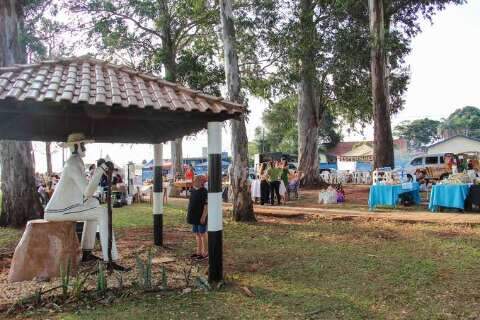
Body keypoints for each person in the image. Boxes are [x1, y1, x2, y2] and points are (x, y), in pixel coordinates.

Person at [44, 132, 119, 262]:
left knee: (95, 205)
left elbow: (85, 193)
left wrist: (98, 173)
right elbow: (87, 191)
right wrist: (99, 171)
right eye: (83, 145)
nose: (85, 147)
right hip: (58, 211)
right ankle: (110, 259)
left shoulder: (76, 162)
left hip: (65, 208)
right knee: (103, 213)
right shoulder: (72, 164)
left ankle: (87, 253)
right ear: (75, 146)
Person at [187, 176, 208, 260]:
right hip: (193, 216)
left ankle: (205, 252)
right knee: (196, 233)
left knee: (202, 233)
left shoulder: (204, 192)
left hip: (201, 216)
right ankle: (198, 252)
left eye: (198, 180)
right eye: (195, 180)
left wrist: (203, 216)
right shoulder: (192, 190)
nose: (195, 181)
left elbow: (206, 206)